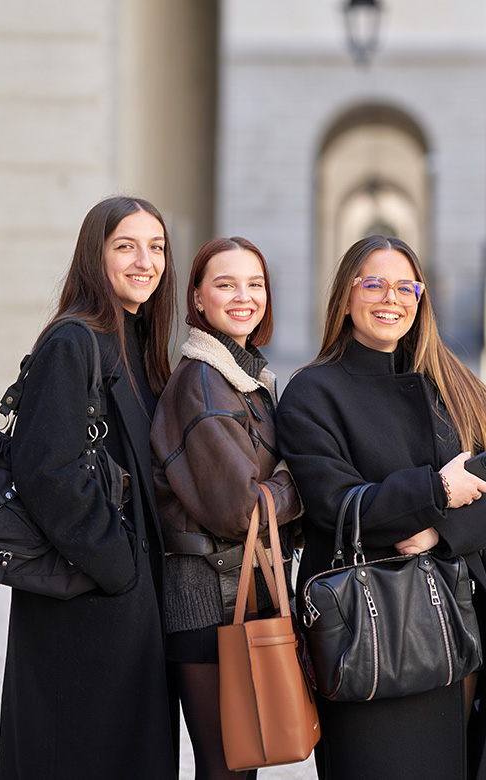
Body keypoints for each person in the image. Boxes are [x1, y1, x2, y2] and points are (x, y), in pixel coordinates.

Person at [276, 235, 486, 780]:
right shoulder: (311, 393)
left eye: (405, 287)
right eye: (374, 284)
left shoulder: (451, 381)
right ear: (346, 296)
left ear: (420, 300)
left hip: (455, 613)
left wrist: (440, 533)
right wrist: (435, 491)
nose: (390, 298)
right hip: (367, 626)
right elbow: (334, 504)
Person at [0, 196, 178, 780]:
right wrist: (120, 568)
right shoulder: (73, 341)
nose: (144, 261)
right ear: (94, 256)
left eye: (156, 248)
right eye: (126, 246)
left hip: (127, 605)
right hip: (83, 601)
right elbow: (47, 469)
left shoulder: (137, 345)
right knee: (74, 754)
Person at [150, 236, 301, 780]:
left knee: (243, 763)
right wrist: (297, 482)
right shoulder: (203, 383)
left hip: (234, 593)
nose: (244, 296)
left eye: (255, 284)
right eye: (225, 284)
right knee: (227, 769)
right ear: (197, 298)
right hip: (206, 604)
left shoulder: (245, 378)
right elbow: (241, 509)